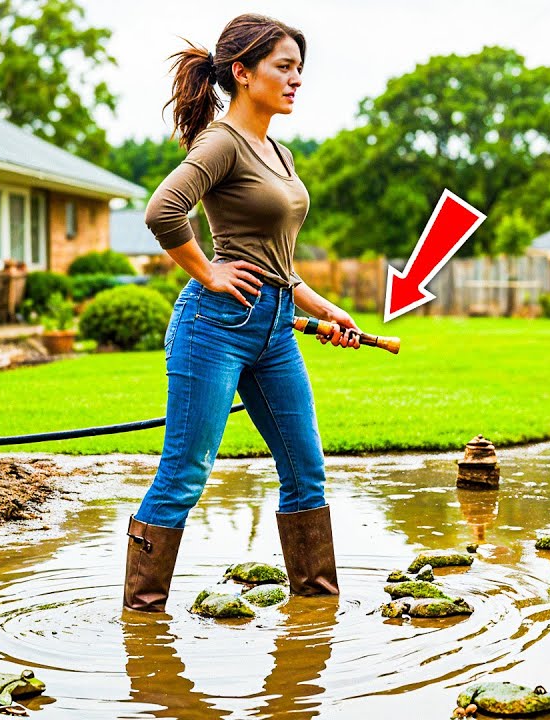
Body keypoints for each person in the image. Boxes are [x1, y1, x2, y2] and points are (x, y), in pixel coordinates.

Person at [124, 14, 361, 613]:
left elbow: (276, 261)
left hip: (276, 330)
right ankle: (143, 619)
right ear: (242, 72)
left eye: (299, 68)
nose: (296, 79)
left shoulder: (276, 149)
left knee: (306, 469)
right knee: (185, 474)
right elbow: (163, 212)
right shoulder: (222, 141)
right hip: (215, 328)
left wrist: (325, 308)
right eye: (284, 67)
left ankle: (315, 615)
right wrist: (208, 271)